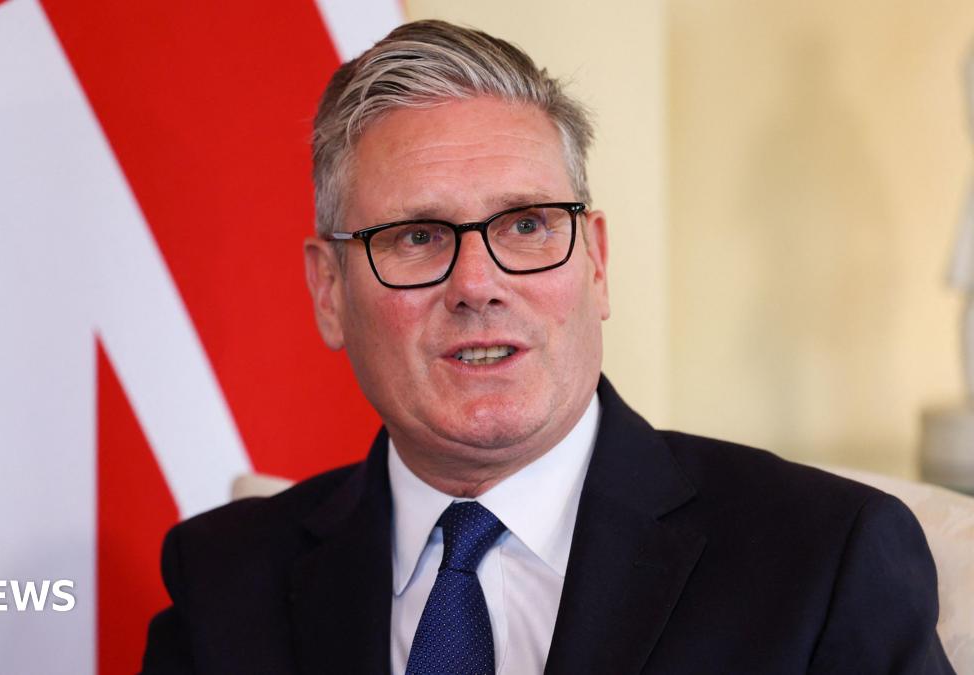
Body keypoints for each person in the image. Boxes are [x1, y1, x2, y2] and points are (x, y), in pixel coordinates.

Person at [141, 20, 954, 674]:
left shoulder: (822, 559)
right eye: (418, 236)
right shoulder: (224, 581)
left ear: (595, 262)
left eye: (526, 225)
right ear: (329, 292)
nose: (477, 283)